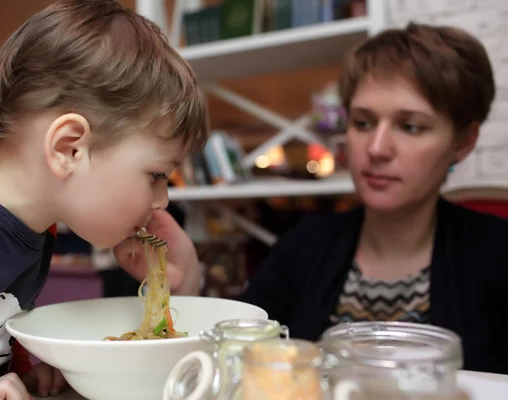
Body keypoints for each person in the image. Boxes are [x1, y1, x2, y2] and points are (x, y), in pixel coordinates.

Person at [115, 22, 508, 374]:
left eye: (410, 126)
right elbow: (239, 357)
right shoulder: (304, 247)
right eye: (363, 122)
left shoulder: (497, 255)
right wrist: (190, 288)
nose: (377, 147)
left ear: (463, 141)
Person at [0, 1, 208, 399]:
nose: (162, 200)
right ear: (69, 148)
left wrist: (23, 372)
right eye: (156, 175)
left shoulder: (34, 229)